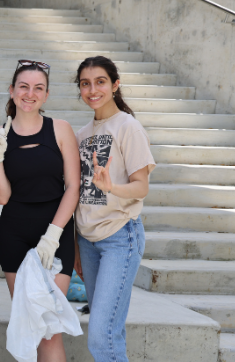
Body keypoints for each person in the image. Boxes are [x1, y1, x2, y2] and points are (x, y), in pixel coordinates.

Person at [0, 60, 80, 361]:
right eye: (23, 86)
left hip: (55, 232)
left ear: (47, 95)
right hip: (14, 233)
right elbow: (2, 197)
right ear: (12, 91)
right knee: (31, 323)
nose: (30, 93)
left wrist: (53, 235)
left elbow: (73, 187)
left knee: (49, 328)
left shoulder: (61, 130)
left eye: (38, 88)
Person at [74, 56, 155, 362]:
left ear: (115, 85)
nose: (92, 89)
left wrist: (112, 188)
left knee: (101, 333)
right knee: (108, 330)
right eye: (85, 83)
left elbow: (141, 186)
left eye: (100, 81)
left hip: (120, 238)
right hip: (89, 241)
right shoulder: (82, 134)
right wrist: (77, 246)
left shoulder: (128, 127)